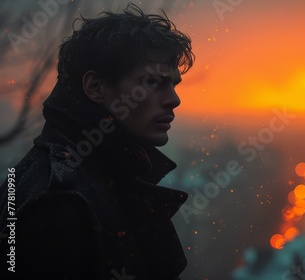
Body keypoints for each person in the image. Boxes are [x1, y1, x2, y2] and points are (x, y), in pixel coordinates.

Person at [0, 3, 194, 279]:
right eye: (153, 83)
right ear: (95, 87)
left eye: (173, 85)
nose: (174, 99)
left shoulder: (85, 176)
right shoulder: (62, 204)